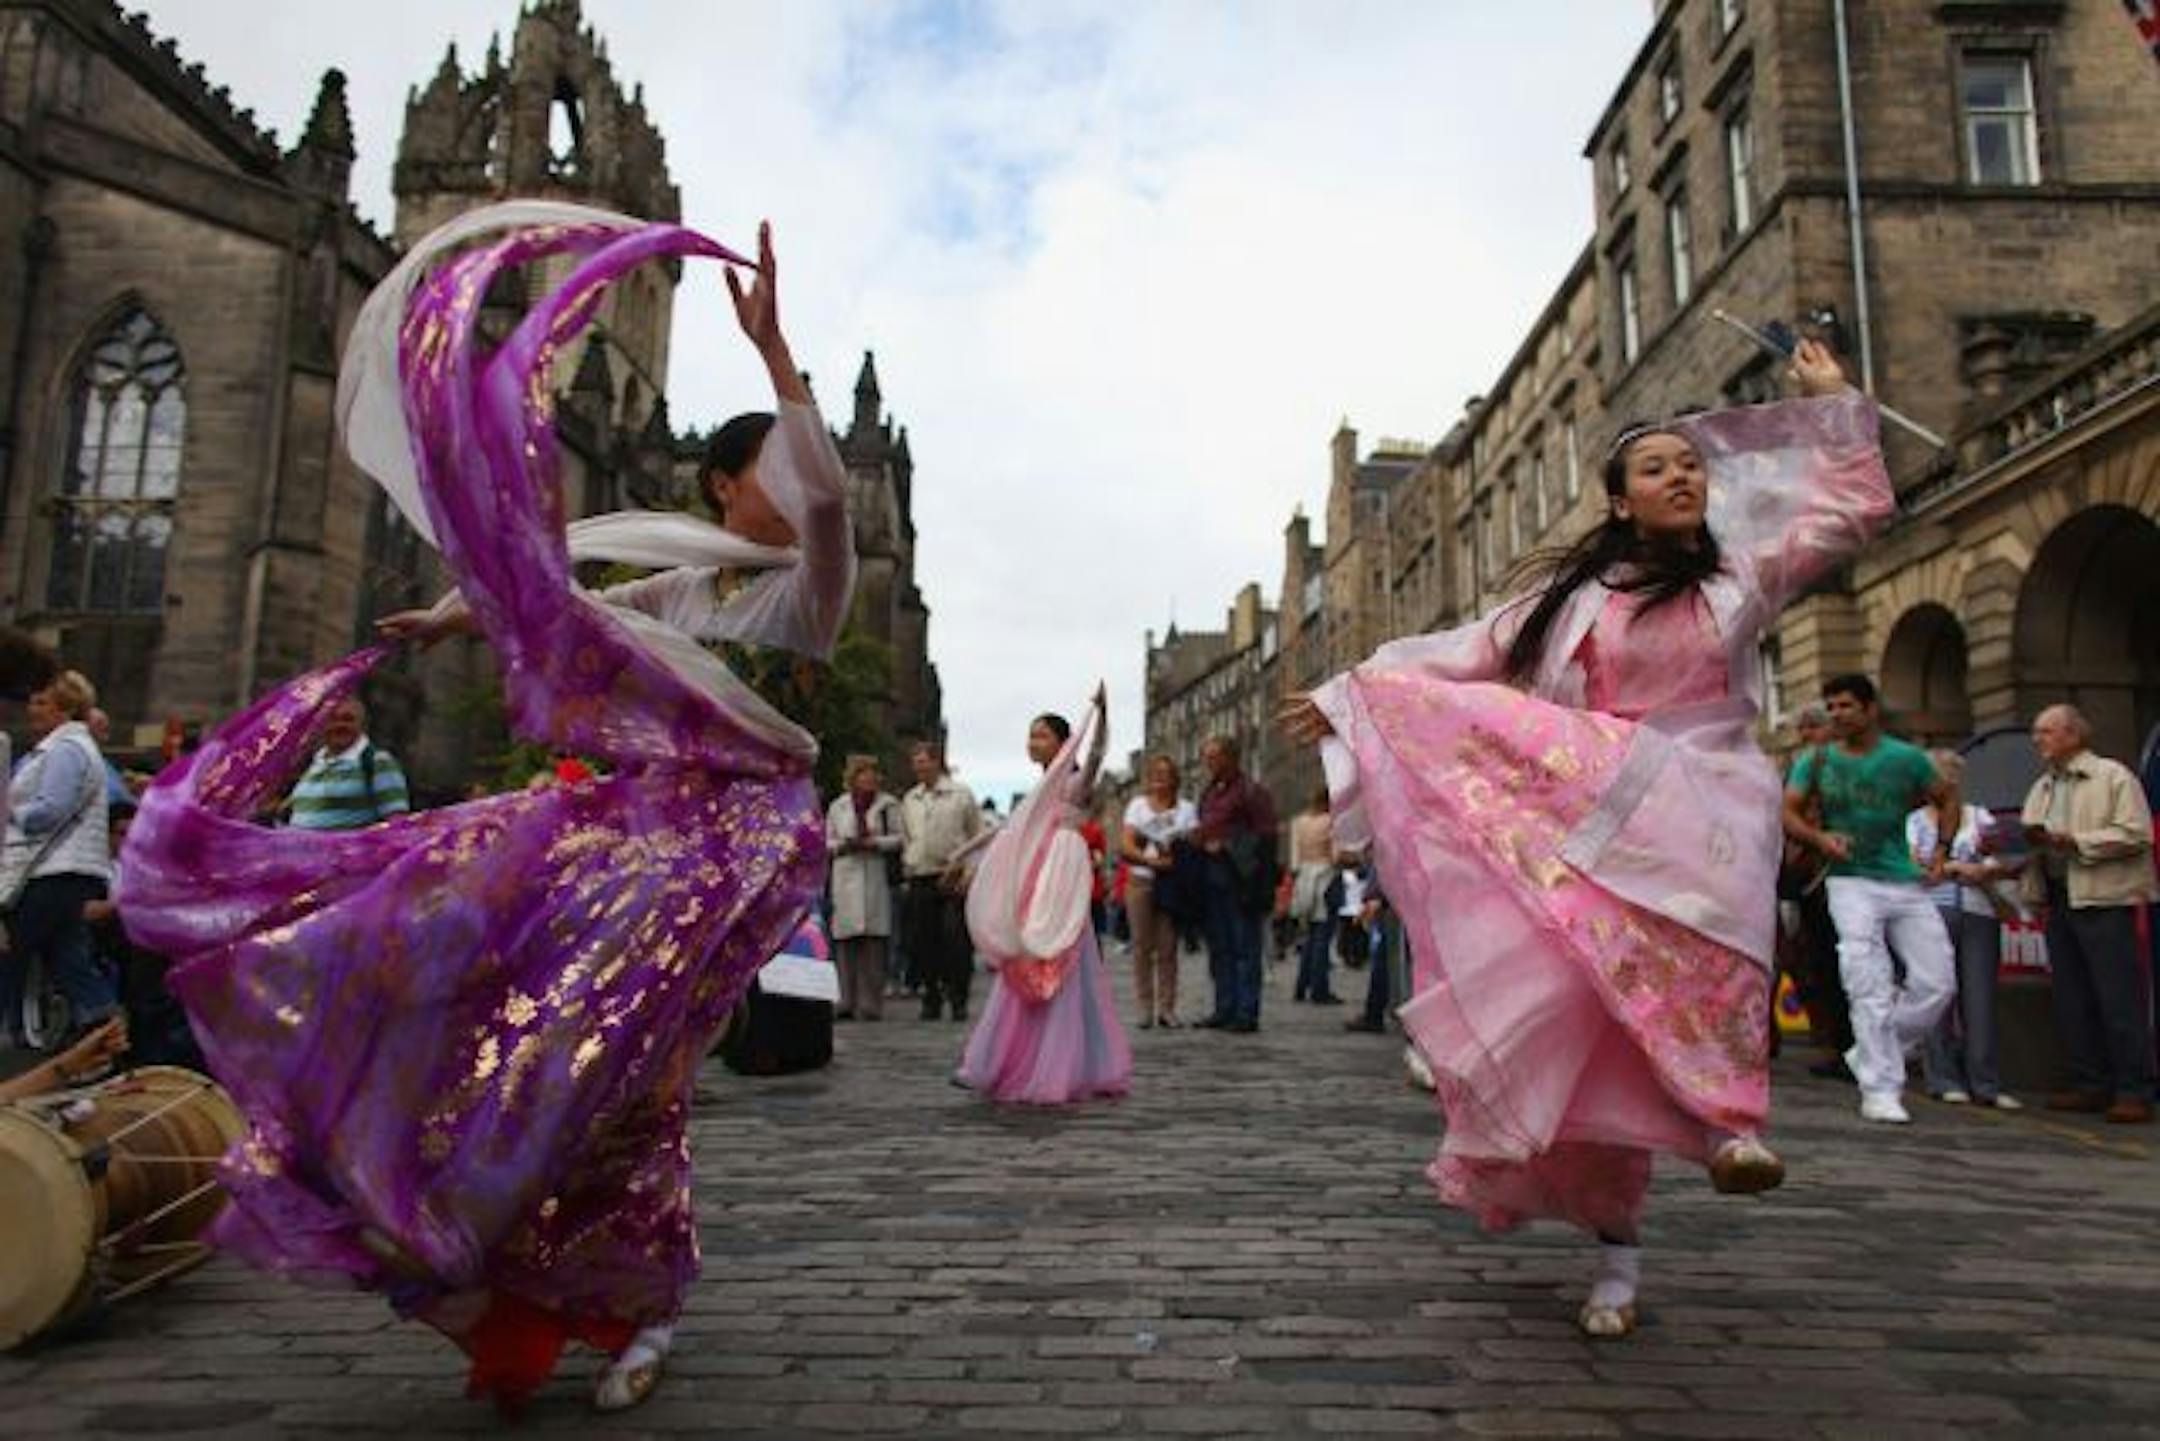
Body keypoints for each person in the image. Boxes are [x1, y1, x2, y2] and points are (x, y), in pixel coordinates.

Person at [118, 207, 854, 1412]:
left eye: (787, 458)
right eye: (763, 461)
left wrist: (778, 357)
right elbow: (564, 597)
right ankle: (446, 1199)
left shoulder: (801, 592)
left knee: (643, 1076)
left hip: (732, 849)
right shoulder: (683, 580)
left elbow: (827, 502)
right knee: (516, 1005)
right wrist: (451, 619)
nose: (788, 479)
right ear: (721, 486)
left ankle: (645, 1301)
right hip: (640, 837)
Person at [1282, 338, 1890, 1339]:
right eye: (1657, 467)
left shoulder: (1737, 577)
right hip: (1595, 804)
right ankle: (1603, 1229)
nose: (1682, 476)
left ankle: (1726, 1124)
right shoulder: (1567, 606)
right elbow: (1459, 655)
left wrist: (1835, 406)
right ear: (1620, 500)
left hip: (1703, 804)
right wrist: (1355, 694)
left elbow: (1848, 512)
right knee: (1579, 996)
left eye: (1691, 465)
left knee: (1706, 969)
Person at [1784, 674, 1956, 1125]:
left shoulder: (1906, 758)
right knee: (1866, 979)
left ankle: (1869, 1050)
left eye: (1845, 706)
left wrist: (1942, 850)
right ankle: (1880, 1089)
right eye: (1832, 707)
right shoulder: (1816, 760)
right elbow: (1788, 811)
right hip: (1848, 881)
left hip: (1902, 878)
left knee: (1938, 982)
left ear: (1870, 709)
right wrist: (1820, 838)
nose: (1837, 714)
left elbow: (1947, 795)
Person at [956, 691, 1132, 1104]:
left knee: (1056, 956)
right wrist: (962, 855)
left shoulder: (1073, 780)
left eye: (1040, 736)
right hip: (1036, 873)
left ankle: (1059, 1062)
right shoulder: (1041, 787)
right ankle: (1009, 1057)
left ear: (1061, 741)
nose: (1032, 743)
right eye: (1030, 736)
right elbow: (1007, 829)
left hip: (1060, 875)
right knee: (1025, 957)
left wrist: (1102, 715)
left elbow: (1098, 754)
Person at [2021, 704, 2157, 1124]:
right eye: (2036, 731)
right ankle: (2090, 1082)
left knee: (2118, 998)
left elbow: (2136, 833)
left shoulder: (2112, 776)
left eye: (2046, 731)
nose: (2037, 739)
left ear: (2073, 735)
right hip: (2060, 896)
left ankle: (2134, 1088)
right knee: (2073, 996)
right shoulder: (2043, 786)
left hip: (2104, 899)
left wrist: (2075, 841)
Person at [1, 669, 117, 1045]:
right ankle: (104, 1030)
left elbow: (49, 811)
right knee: (67, 957)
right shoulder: (61, 748)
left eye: (42, 702)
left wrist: (8, 810)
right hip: (65, 870)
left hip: (55, 871)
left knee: (12, 950)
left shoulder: (66, 751)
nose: (32, 710)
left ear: (65, 709)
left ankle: (10, 1033)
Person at [1908, 749, 2020, 1110]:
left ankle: (1985, 1082)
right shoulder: (1914, 822)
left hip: (1978, 911)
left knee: (1980, 998)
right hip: (1929, 913)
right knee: (1938, 994)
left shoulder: (1979, 817)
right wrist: (1957, 867)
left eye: (1941, 777)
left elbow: (2000, 861)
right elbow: (1918, 868)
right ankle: (1943, 1077)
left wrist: (1983, 868)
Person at [1782, 703, 1855, 1077]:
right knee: (1818, 963)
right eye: (1803, 728)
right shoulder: (1801, 767)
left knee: (1853, 965)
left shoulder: (1842, 765)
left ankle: (1857, 1045)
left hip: (1849, 874)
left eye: (1813, 727)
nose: (1806, 735)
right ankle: (1838, 1044)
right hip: (1808, 878)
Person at [1193, 735, 1277, 1033]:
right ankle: (1223, 1007)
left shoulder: (1251, 793)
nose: (1208, 763)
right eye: (1207, 757)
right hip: (1211, 877)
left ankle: (1246, 1011)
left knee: (1244, 947)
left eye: (1214, 757)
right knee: (1220, 948)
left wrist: (1226, 844)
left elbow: (1266, 838)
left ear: (1231, 758)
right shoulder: (1209, 793)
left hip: (1240, 880)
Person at [899, 743, 982, 1021]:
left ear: (937, 763)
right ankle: (930, 996)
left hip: (952, 875)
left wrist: (969, 871)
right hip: (921, 875)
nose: (920, 768)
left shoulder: (960, 795)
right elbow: (908, 837)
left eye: (924, 762)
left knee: (956, 940)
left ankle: (958, 998)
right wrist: (908, 865)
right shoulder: (910, 799)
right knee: (924, 941)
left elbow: (976, 836)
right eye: (916, 763)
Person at [1121, 754, 1198, 1029]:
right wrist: (1151, 861)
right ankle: (1144, 1007)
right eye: (1155, 773)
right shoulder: (1137, 806)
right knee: (1142, 947)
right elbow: (1126, 845)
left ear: (1175, 779)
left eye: (1165, 773)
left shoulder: (1187, 809)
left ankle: (1167, 1008)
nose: (1159, 778)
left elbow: (1191, 846)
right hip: (1141, 881)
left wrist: (1176, 853)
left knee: (1168, 947)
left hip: (1173, 885)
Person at [825, 754, 902, 1021]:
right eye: (863, 774)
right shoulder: (838, 806)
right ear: (853, 778)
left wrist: (876, 843)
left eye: (872, 774)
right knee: (846, 943)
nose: (869, 778)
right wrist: (844, 845)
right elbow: (826, 841)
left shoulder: (888, 805)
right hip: (846, 875)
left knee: (873, 943)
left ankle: (870, 1004)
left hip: (874, 875)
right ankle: (846, 1000)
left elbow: (900, 839)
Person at [282, 696, 411, 830]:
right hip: (295, 849)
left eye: (348, 719)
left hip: (348, 850)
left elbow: (397, 823)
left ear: (362, 725)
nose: (339, 725)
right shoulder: (313, 762)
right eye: (332, 719)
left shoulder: (378, 761)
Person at [1289, 787, 1343, 1005]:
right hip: (1326, 877)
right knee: (1323, 936)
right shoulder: (1331, 822)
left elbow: (1295, 857)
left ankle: (1302, 985)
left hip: (1304, 877)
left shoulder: (1299, 823)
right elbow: (1336, 855)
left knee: (1310, 935)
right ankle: (1320, 987)